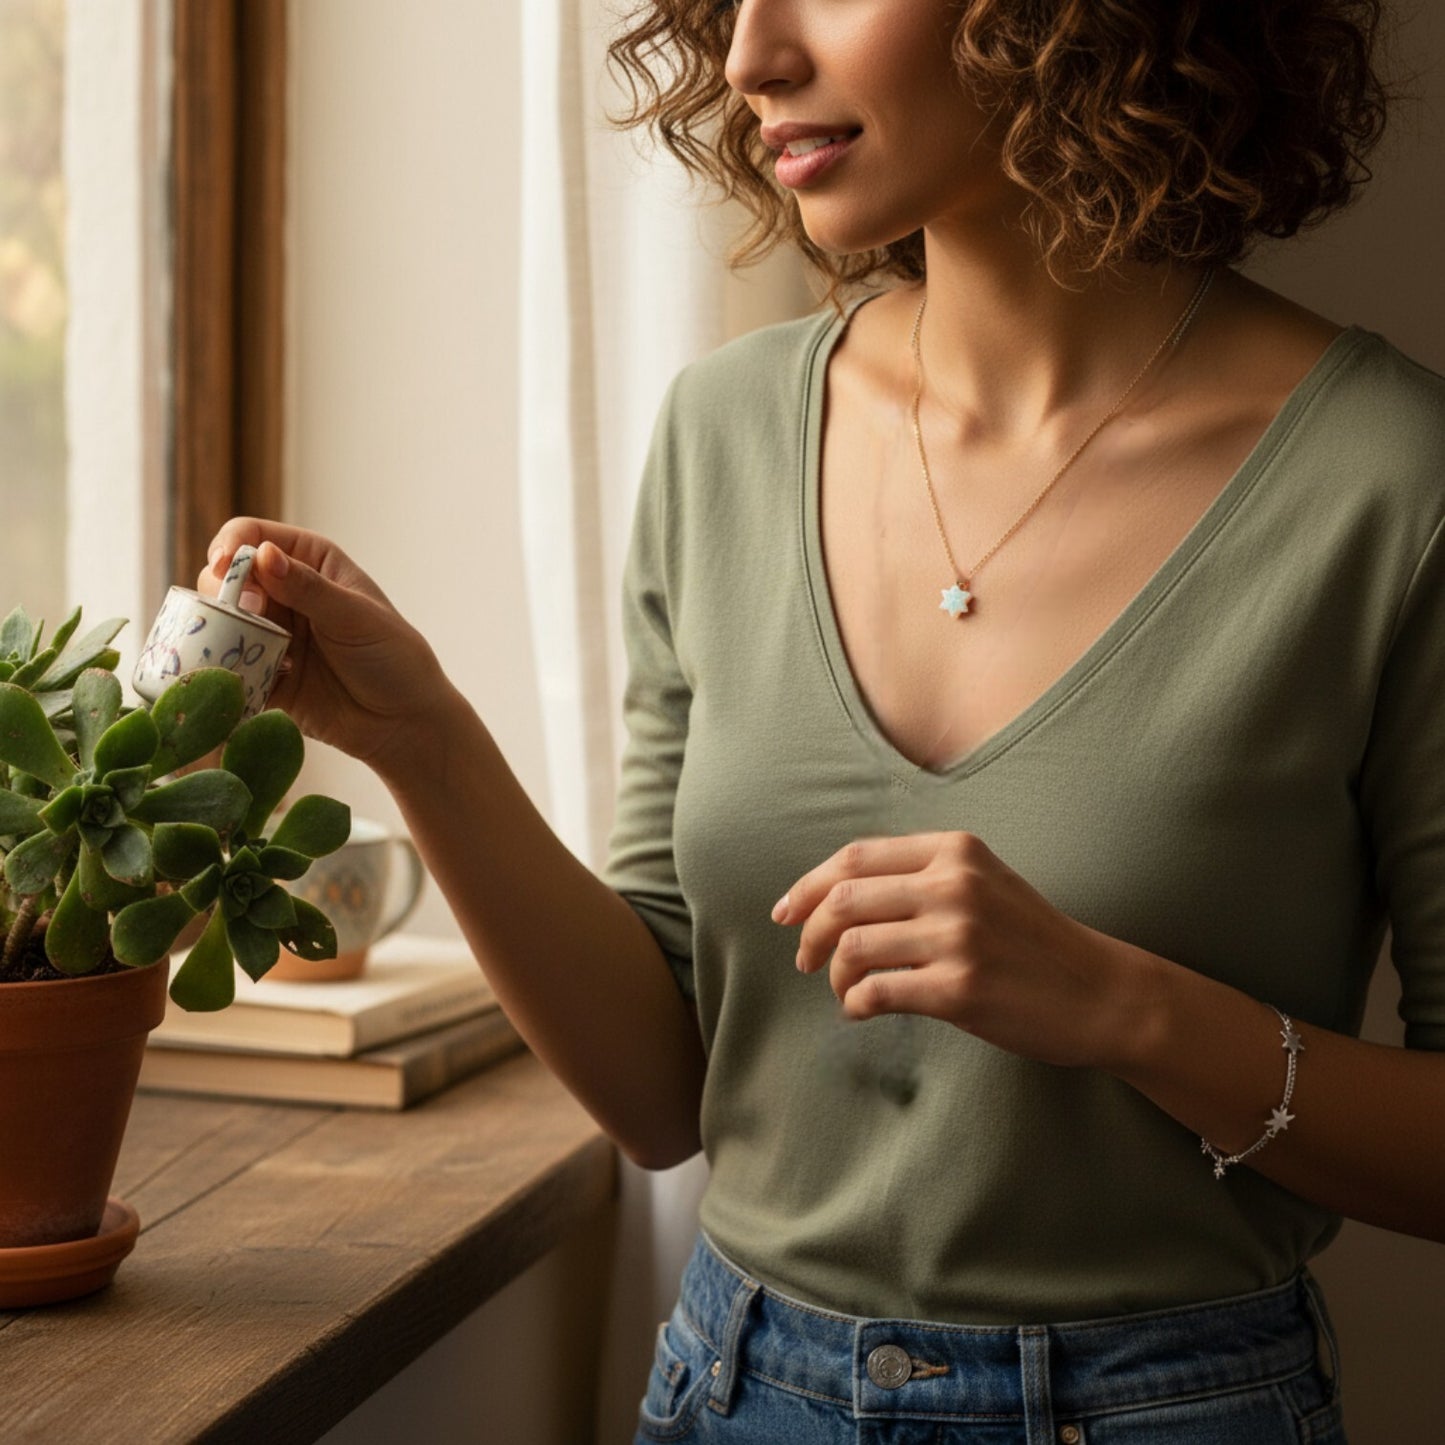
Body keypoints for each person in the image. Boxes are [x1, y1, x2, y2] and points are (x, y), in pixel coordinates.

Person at [203, 1, 1445, 1440]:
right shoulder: (722, 433)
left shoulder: (1388, 484)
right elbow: (661, 1098)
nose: (749, 58)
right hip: (733, 1391)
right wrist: (421, 741)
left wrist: (1125, 1009)